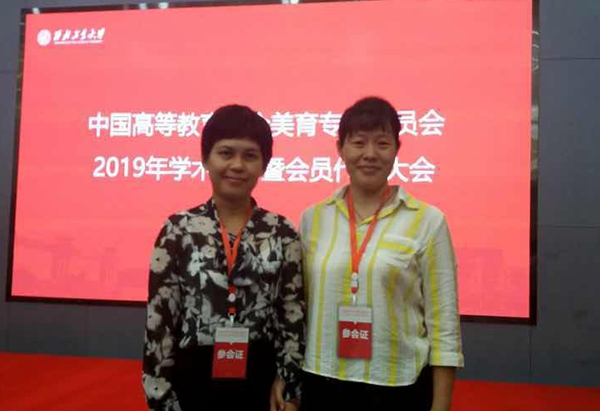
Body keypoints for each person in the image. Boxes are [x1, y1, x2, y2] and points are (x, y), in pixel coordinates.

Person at [299, 97, 463, 411]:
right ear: (340, 148)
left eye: (383, 143)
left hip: (397, 386)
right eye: (359, 142)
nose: (370, 154)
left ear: (397, 149)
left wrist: (441, 405)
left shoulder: (428, 221)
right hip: (322, 380)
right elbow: (301, 307)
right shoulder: (313, 219)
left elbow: (444, 324)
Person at [142, 104, 305, 411]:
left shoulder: (281, 231)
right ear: (206, 158)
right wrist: (161, 397)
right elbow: (160, 320)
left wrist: (289, 381)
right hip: (193, 379)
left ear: (264, 165)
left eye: (250, 155)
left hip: (262, 380)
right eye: (226, 153)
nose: (237, 165)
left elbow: (291, 314)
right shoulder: (178, 229)